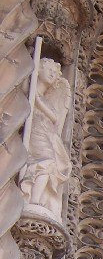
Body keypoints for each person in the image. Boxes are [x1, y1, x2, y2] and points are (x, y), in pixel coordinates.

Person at [20, 58, 71, 222]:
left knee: (49, 162)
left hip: (45, 132)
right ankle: (31, 200)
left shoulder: (47, 99)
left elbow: (55, 117)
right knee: (41, 161)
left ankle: (36, 200)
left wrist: (36, 99)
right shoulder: (27, 88)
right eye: (49, 69)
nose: (52, 74)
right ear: (38, 70)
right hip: (32, 131)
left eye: (55, 73)